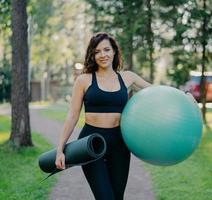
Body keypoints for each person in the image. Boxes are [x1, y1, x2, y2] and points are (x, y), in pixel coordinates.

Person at [55, 32, 151, 200]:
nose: (102, 55)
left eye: (106, 49)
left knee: (117, 197)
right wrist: (60, 149)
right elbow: (72, 115)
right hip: (92, 144)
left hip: (119, 144)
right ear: (92, 55)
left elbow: (157, 91)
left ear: (114, 51)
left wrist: (184, 95)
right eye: (97, 51)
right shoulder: (84, 80)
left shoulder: (128, 77)